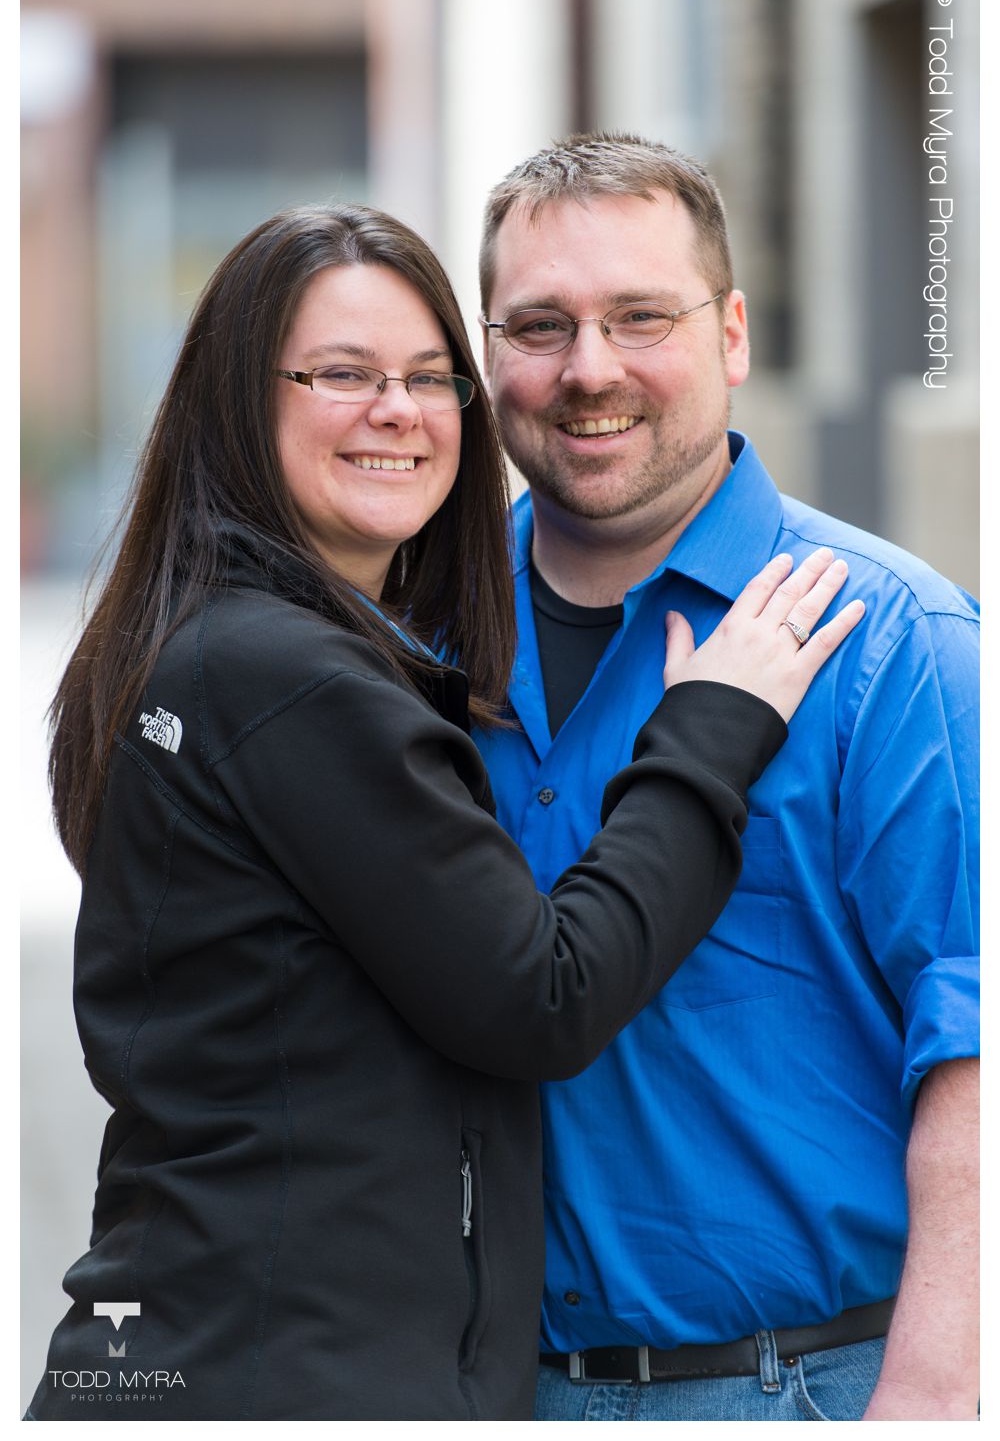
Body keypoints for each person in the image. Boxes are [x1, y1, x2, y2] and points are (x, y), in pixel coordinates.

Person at [28, 204, 861, 1422]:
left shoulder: (231, 647)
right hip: (278, 1377)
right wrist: (711, 728)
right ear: (235, 402)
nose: (398, 411)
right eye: (341, 375)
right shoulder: (287, 678)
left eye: (429, 378)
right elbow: (544, 994)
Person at [474, 132, 979, 1423]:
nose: (590, 369)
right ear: (488, 353)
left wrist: (928, 1402)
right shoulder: (422, 643)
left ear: (732, 333)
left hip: (803, 1385)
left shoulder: (899, 649)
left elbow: (977, 1063)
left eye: (641, 316)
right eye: (541, 325)